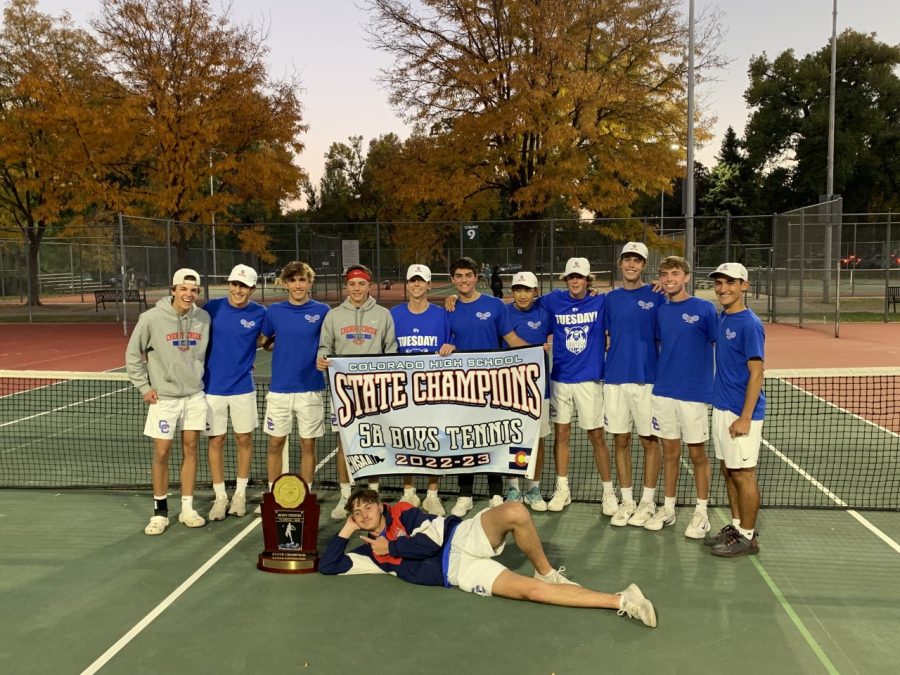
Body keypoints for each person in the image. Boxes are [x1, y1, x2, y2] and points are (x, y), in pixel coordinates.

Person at [319, 488, 657, 628]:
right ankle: (623, 599)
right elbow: (329, 565)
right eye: (356, 512)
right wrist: (347, 530)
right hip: (460, 573)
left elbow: (430, 543)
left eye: (367, 507)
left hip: (459, 536)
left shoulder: (404, 513)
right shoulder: (369, 553)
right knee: (531, 593)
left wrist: (391, 548)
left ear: (381, 505)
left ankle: (547, 572)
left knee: (515, 511)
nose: (362, 514)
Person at [125, 268, 211, 535]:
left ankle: (187, 508)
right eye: (183, 289)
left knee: (191, 449)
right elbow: (132, 354)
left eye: (193, 290)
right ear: (173, 290)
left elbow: (203, 356)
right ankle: (160, 511)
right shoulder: (151, 318)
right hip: (164, 399)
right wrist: (144, 387)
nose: (188, 294)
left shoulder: (203, 318)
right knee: (162, 452)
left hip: (194, 396)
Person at [444, 257, 527, 517]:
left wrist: (535, 353)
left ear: (477, 276)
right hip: (460, 385)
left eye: (468, 275)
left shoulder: (494, 305)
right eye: (459, 276)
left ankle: (495, 493)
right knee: (462, 439)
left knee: (492, 437)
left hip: (492, 385)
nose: (464, 280)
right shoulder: (449, 308)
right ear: (452, 280)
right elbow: (446, 343)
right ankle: (464, 494)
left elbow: (510, 338)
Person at [317, 264, 398, 520]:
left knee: (373, 441)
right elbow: (324, 346)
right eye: (352, 284)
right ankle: (345, 495)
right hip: (343, 392)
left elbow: (391, 350)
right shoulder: (333, 315)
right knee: (344, 443)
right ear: (346, 286)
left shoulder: (384, 314)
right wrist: (322, 359)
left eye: (361, 284)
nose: (357, 289)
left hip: (373, 392)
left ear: (369, 285)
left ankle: (372, 494)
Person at [644, 256, 716, 537]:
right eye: (664, 274)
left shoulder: (704, 309)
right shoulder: (660, 310)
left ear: (687, 277)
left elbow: (716, 344)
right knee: (670, 452)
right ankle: (669, 508)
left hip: (694, 394)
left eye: (675, 273)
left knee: (697, 454)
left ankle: (701, 512)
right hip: (663, 392)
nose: (669, 278)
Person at [538, 257, 615, 514]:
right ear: (566, 278)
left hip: (590, 381)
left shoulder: (601, 301)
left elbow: (623, 300)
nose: (575, 280)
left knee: (597, 436)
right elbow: (522, 304)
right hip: (560, 378)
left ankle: (608, 492)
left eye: (579, 277)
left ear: (587, 280)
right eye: (571, 276)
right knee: (562, 435)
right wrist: (454, 300)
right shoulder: (553, 300)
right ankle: (563, 489)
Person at [706, 263, 766, 557]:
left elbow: (757, 373)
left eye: (730, 282)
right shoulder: (721, 318)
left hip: (741, 412)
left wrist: (744, 417)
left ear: (745, 285)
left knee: (744, 474)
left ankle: (748, 537)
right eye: (719, 282)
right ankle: (736, 526)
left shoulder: (750, 324)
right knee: (728, 470)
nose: (723, 288)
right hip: (721, 407)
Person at [259, 262, 331, 503]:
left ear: (310, 282)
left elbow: (329, 342)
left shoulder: (323, 311)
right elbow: (265, 341)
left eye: (302, 280)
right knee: (275, 443)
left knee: (308, 444)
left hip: (310, 388)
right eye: (293, 280)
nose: (298, 285)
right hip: (280, 389)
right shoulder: (274, 312)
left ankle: (305, 494)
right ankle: (273, 494)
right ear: (285, 284)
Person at [602, 243, 663, 527]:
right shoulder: (608, 299)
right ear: (619, 263)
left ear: (644, 266)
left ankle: (648, 502)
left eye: (637, 261)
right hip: (614, 380)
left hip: (647, 380)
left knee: (649, 441)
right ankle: (627, 501)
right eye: (627, 259)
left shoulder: (657, 295)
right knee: (620, 440)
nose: (631, 265)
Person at [203, 264, 268, 519]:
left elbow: (267, 340)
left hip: (243, 387)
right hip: (212, 388)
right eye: (234, 284)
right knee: (216, 440)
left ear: (252, 288)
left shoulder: (260, 313)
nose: (238, 290)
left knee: (244, 440)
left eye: (244, 286)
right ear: (229, 284)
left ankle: (239, 495)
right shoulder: (212, 308)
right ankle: (220, 497)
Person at [390, 263, 454, 515]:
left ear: (429, 285)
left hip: (434, 390)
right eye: (412, 281)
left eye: (421, 281)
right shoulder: (394, 314)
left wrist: (451, 347)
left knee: (434, 441)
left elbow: (452, 341)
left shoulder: (441, 315)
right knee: (407, 441)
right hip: (403, 391)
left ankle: (432, 494)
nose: (416, 285)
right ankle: (408, 492)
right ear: (407, 284)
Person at [503, 271, 552, 511]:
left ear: (536, 292)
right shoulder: (502, 312)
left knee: (538, 440)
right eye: (518, 289)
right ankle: (513, 486)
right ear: (512, 291)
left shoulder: (545, 312)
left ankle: (533, 487)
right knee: (512, 438)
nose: (522, 295)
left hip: (539, 388)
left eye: (527, 290)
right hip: (509, 389)